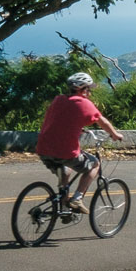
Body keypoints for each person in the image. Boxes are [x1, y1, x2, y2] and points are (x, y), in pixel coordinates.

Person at [35, 72, 124, 213]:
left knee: (66, 170)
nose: (89, 93)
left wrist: (74, 127)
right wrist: (115, 134)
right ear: (81, 89)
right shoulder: (83, 103)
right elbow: (102, 121)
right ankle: (77, 198)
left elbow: (59, 119)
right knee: (94, 164)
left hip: (43, 149)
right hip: (65, 152)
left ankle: (65, 209)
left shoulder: (58, 100)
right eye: (88, 90)